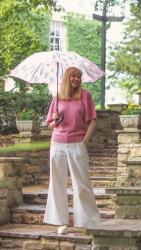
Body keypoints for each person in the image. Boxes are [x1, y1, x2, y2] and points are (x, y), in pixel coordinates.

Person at [43, 66, 100, 234]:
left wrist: (84, 141)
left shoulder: (85, 96)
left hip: (77, 144)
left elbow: (93, 121)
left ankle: (88, 220)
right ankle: (61, 222)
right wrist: (55, 120)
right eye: (73, 76)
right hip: (57, 144)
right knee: (57, 183)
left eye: (78, 77)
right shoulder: (58, 98)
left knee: (82, 183)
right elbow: (50, 125)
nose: (76, 79)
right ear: (67, 78)